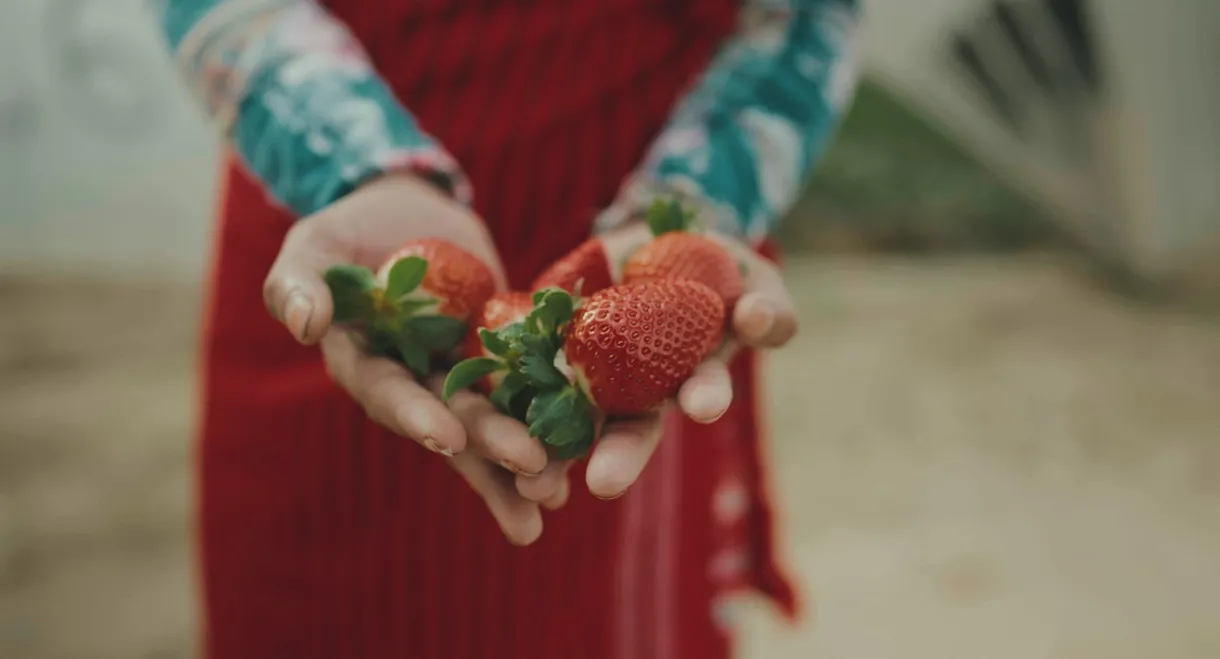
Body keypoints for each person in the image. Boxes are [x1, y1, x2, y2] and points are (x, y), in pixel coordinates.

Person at [155, 0, 859, 657]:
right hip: (352, 240)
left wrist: (697, 194)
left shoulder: (635, 317)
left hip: (629, 236)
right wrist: (358, 167)